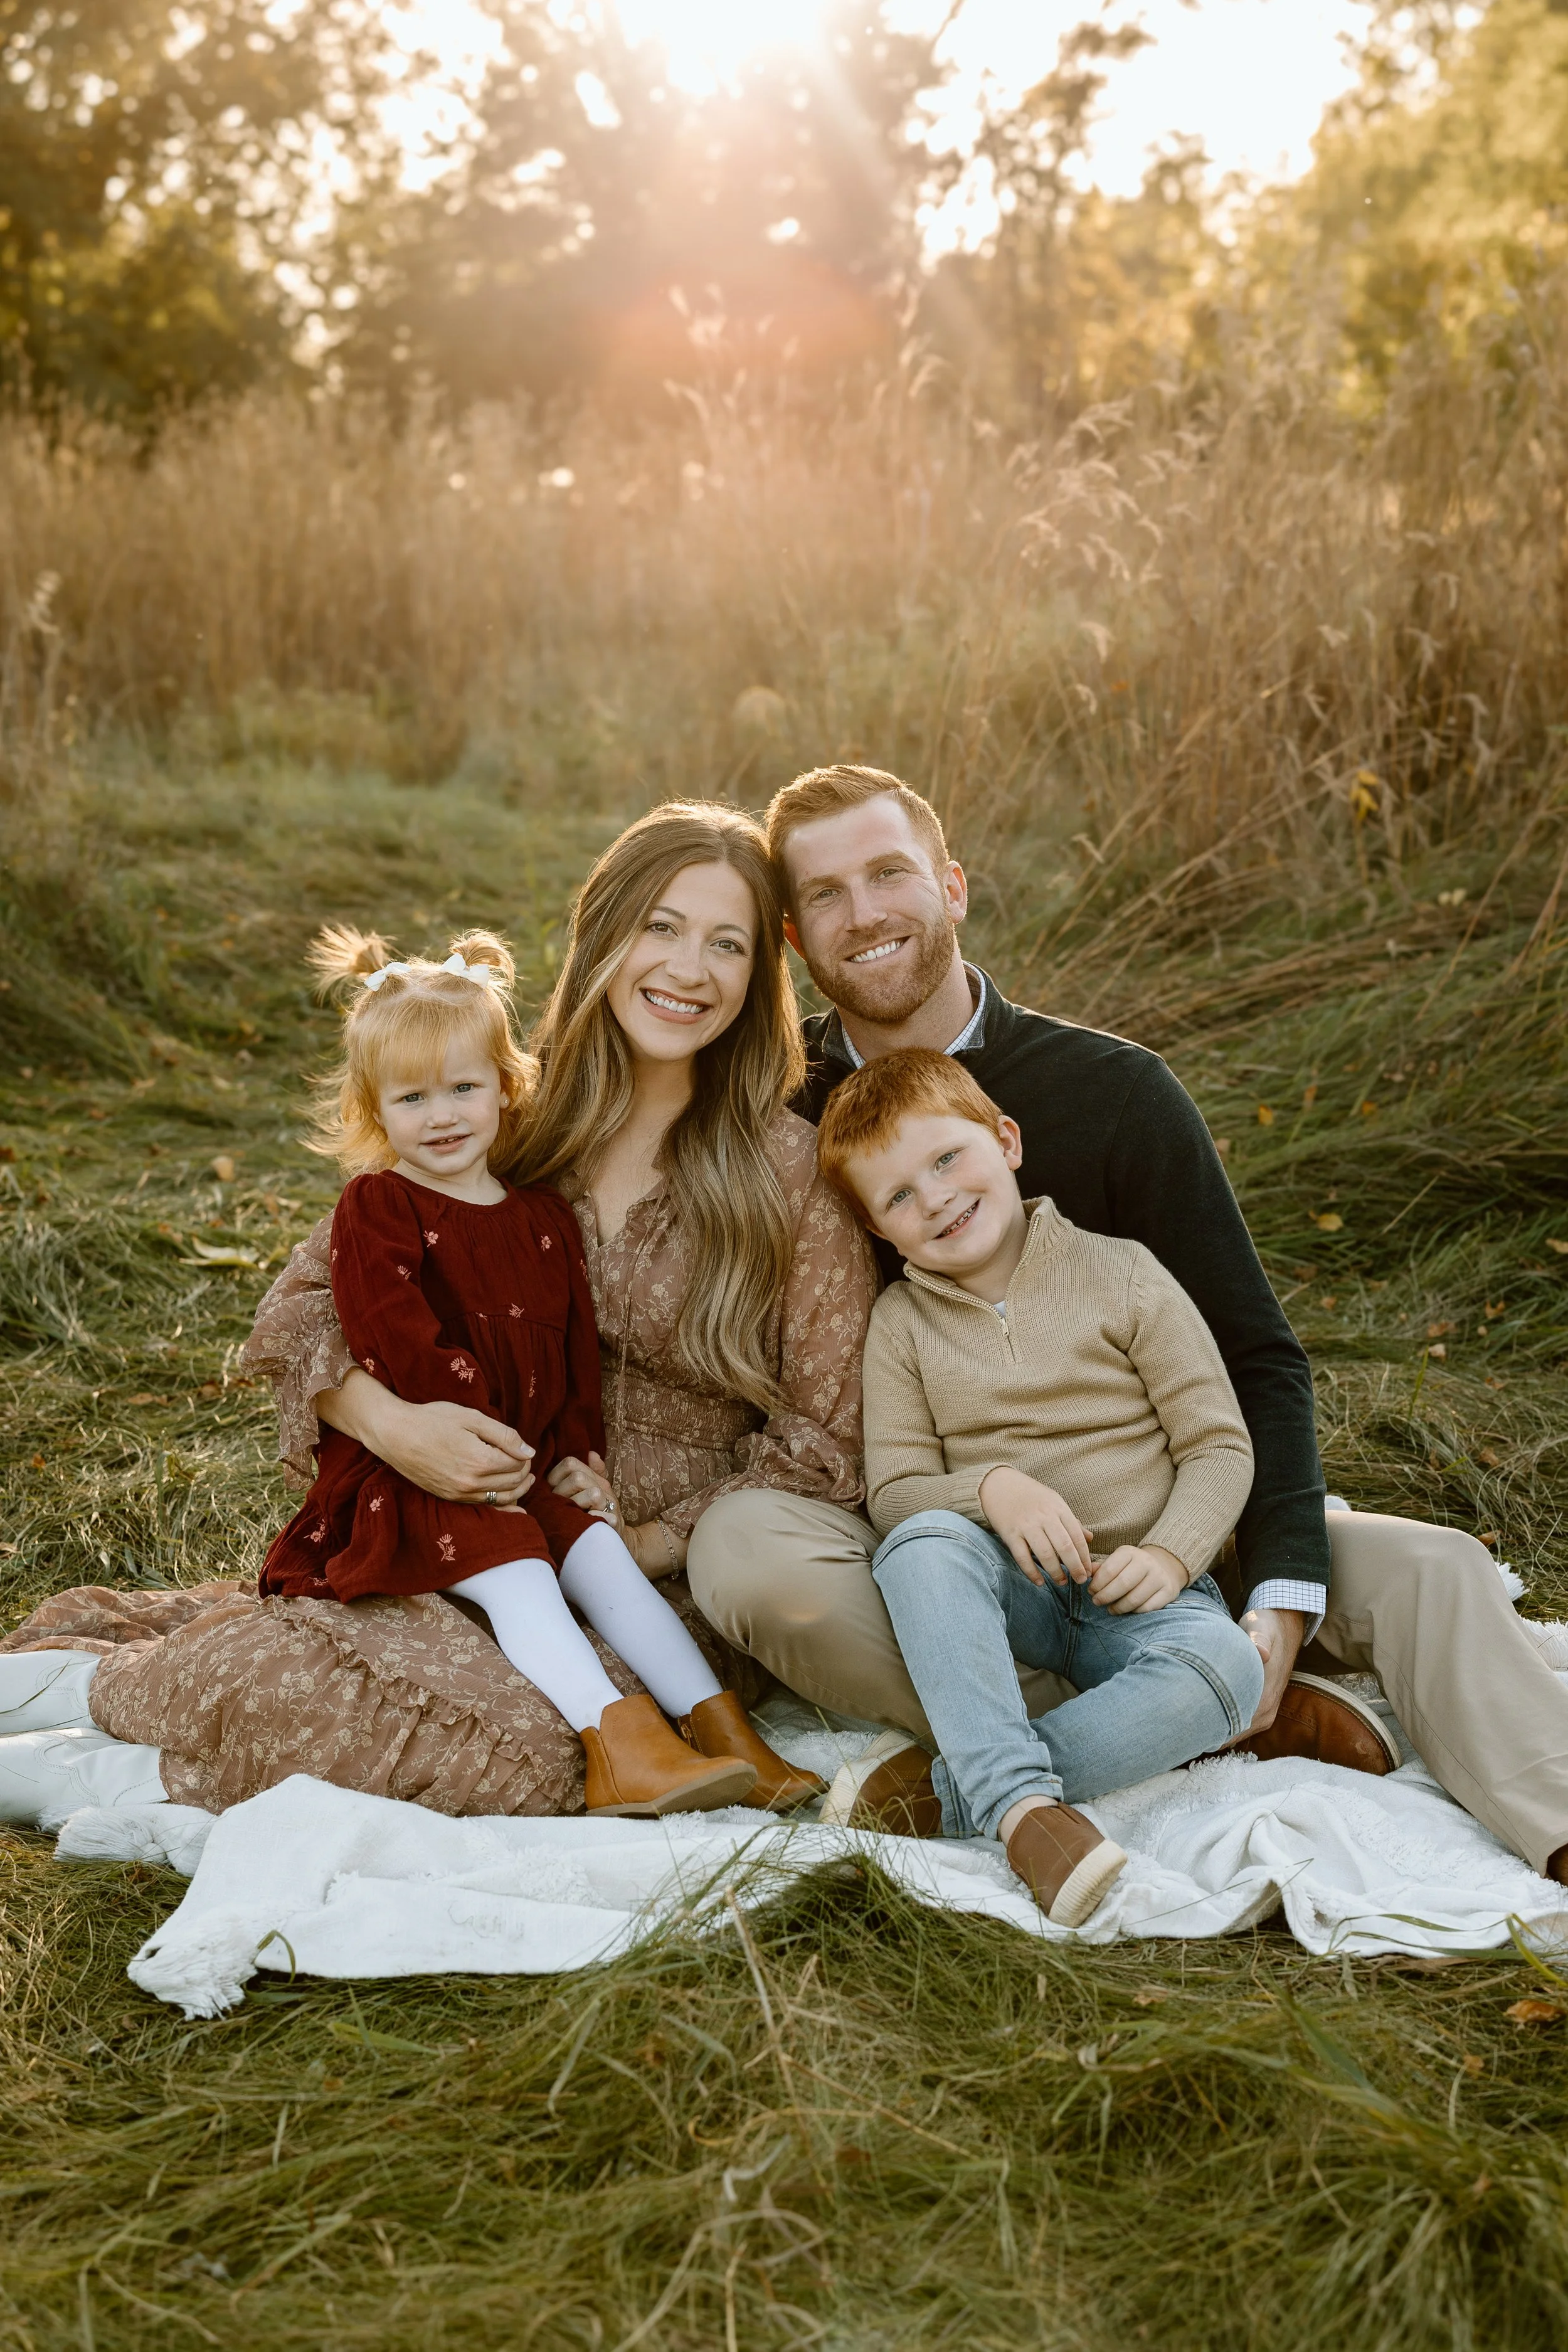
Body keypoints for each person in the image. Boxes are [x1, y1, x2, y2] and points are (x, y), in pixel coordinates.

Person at [682, 763, 1568, 1882]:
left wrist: (1281, 1602)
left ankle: (1543, 1822)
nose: (865, 914)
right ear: (798, 940)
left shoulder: (1116, 1090)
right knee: (753, 1560)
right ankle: (1217, 1715)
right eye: (825, 895)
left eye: (890, 873)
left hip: (1163, 1527)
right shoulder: (783, 1109)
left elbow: (1254, 1357)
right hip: (950, 1550)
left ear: (951, 886)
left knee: (1433, 1570)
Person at [0, 803, 861, 1828]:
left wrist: (660, 1538)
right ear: (604, 936)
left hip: (643, 1574)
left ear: (761, 973)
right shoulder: (503, 1127)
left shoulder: (788, 1169)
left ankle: (106, 1771)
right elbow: (306, 1301)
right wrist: (392, 1423)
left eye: (728, 942)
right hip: (448, 1508)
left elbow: (827, 1433)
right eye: (661, 927)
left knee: (536, 1755)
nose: (690, 967)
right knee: (340, 1671)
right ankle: (79, 1715)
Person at [258, 919, 798, 1817]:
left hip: (524, 1467)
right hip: (422, 1474)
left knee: (603, 1559)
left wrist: (579, 1454)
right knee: (521, 1570)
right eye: (411, 1099)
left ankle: (727, 1731)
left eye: (464, 1088)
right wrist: (462, 1432)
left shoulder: (542, 1216)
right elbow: (390, 1331)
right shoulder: (381, 1205)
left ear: (507, 1089)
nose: (441, 1117)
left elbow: (573, 1354)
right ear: (374, 1111)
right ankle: (618, 1746)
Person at [810, 1046, 1269, 1924]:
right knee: (920, 1546)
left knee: (1227, 1666)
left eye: (947, 1159)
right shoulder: (902, 1324)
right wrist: (991, 1490)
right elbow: (898, 1490)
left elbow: (1217, 1444)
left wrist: (1172, 1556)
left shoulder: (1123, 1272)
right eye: (899, 1195)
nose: (936, 1197)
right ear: (877, 1230)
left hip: (1135, 1595)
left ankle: (956, 1790)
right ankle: (1027, 1813)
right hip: (1010, 1592)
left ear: (1007, 1141)